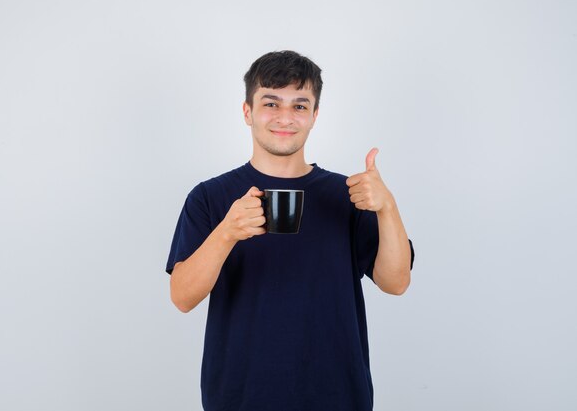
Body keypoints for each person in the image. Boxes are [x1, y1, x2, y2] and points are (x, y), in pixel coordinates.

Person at [166, 50, 415, 411]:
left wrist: (387, 207)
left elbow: (397, 282)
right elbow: (181, 297)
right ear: (247, 112)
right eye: (271, 103)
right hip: (240, 398)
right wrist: (227, 233)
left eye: (300, 106)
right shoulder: (209, 197)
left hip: (339, 398)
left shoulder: (349, 195)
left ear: (314, 116)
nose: (285, 117)